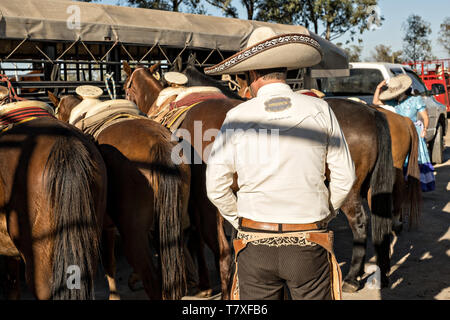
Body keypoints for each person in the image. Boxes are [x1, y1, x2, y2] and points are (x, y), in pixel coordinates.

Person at [204, 27, 356, 300]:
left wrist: (240, 221)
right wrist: (325, 212)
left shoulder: (237, 116)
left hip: (254, 242)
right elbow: (345, 175)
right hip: (309, 240)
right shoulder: (320, 110)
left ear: (252, 74)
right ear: (284, 70)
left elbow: (216, 187)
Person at [373, 74, 435, 192]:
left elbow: (425, 117)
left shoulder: (415, 99)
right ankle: (404, 183)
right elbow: (375, 102)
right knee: (402, 158)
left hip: (414, 130)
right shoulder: (393, 102)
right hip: (400, 132)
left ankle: (417, 184)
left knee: (416, 158)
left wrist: (425, 129)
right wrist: (378, 87)